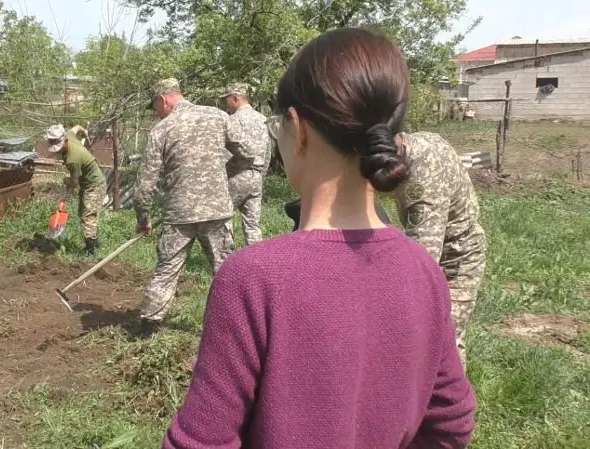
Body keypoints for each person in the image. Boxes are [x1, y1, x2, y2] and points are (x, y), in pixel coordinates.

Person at [162, 28, 476, 449]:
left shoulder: (252, 279)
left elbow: (203, 441)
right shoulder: (424, 271)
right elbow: (451, 423)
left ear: (297, 129)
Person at [134, 78, 248, 337]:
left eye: (155, 106)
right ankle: (229, 329)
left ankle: (148, 328)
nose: (156, 112)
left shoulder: (162, 130)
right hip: (216, 210)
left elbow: (145, 184)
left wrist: (143, 218)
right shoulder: (217, 116)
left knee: (166, 270)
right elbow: (246, 153)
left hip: (179, 213)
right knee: (224, 269)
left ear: (163, 99)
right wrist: (221, 173)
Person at [392, 131, 487, 367]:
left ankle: (451, 392)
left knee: (446, 342)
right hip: (439, 246)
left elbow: (423, 260)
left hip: (457, 259)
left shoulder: (424, 177)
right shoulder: (419, 142)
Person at [220, 82, 272, 245]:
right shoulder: (262, 119)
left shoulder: (233, 120)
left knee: (224, 219)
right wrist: (260, 174)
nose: (225, 103)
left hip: (236, 176)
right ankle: (256, 258)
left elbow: (227, 151)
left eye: (227, 99)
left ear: (235, 98)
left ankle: (226, 257)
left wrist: (222, 173)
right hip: (256, 177)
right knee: (253, 226)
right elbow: (268, 151)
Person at [45, 124, 107, 256]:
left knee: (88, 216)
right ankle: (96, 240)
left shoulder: (73, 159)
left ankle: (90, 251)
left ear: (65, 140)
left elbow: (74, 184)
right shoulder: (69, 134)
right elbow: (77, 127)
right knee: (83, 213)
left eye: (59, 147)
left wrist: (66, 180)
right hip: (86, 183)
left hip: (94, 185)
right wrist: (84, 132)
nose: (57, 151)